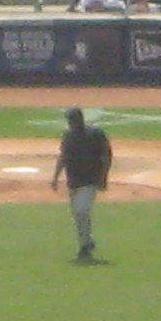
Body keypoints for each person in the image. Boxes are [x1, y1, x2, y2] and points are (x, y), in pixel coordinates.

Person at [51, 107, 112, 262]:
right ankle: (85, 245)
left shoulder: (95, 134)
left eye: (72, 120)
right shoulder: (68, 136)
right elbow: (63, 156)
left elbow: (106, 155)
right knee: (78, 216)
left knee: (81, 211)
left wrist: (103, 177)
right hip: (73, 181)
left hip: (90, 181)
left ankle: (85, 245)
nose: (70, 123)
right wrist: (55, 176)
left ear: (80, 119)